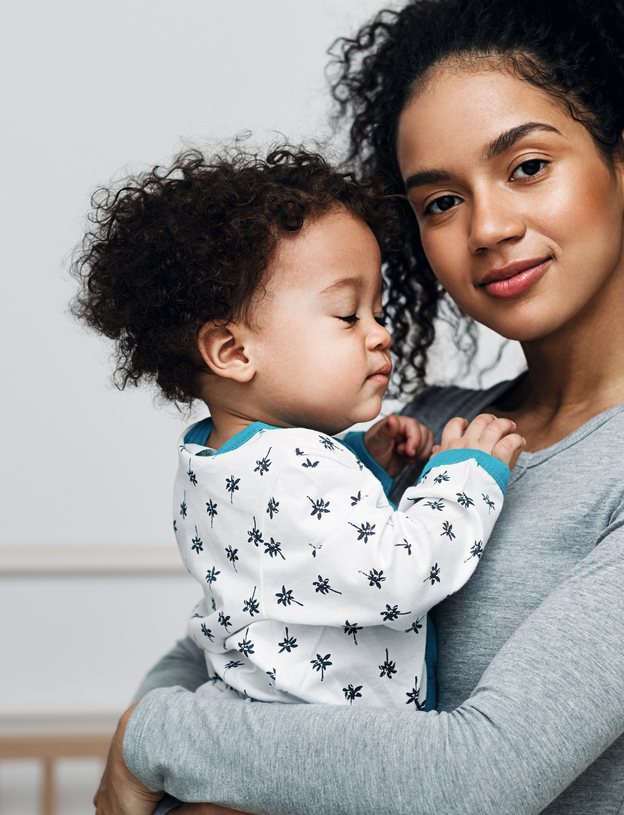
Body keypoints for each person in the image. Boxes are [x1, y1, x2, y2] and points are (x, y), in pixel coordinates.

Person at [92, 0, 624, 812]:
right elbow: (237, 636)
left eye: (526, 167)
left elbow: (479, 777)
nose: (487, 226)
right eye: (440, 201)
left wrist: (156, 738)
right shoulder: (417, 431)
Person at [72, 146, 520, 717]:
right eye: (347, 315)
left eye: (378, 312)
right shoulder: (293, 469)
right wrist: (464, 478)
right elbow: (397, 577)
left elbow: (299, 549)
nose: (381, 334)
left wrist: (362, 455)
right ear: (233, 351)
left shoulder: (211, 461)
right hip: (326, 760)